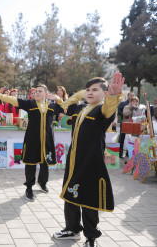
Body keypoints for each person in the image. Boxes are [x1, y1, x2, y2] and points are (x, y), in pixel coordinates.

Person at [53, 73, 124, 247]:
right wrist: (73, 100)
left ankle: (91, 237)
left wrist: (114, 96)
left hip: (91, 163)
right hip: (74, 160)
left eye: (95, 90)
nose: (90, 93)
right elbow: (67, 112)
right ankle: (72, 229)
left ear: (104, 94)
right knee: (70, 194)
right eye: (88, 90)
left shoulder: (102, 110)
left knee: (89, 200)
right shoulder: (80, 108)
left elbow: (109, 108)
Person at [0, 84, 63, 201]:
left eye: (40, 91)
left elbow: (65, 107)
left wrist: (58, 99)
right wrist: (0, 96)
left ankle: (42, 182)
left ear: (46, 93)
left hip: (47, 140)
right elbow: (14, 100)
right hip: (32, 140)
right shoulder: (30, 104)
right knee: (31, 164)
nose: (37, 93)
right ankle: (29, 188)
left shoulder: (52, 106)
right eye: (36, 91)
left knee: (45, 163)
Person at [118, 92, 135, 158]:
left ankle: (129, 152)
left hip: (132, 122)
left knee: (130, 138)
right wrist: (125, 115)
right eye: (131, 95)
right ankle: (120, 152)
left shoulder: (135, 104)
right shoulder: (123, 103)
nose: (132, 96)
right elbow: (119, 111)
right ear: (128, 96)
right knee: (122, 137)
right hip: (124, 122)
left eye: (133, 95)